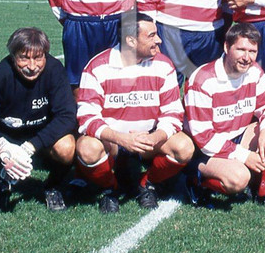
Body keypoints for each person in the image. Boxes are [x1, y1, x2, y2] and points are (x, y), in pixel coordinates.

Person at [74, 13, 193, 213]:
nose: (159, 40)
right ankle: (109, 188)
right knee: (87, 148)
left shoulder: (164, 65)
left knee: (184, 147)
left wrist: (156, 137)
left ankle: (146, 184)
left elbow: (173, 113)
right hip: (112, 141)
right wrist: (120, 139)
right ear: (130, 40)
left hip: (148, 140)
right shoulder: (98, 67)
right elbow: (87, 117)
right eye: (151, 36)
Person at [182, 22, 265, 210]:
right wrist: (245, 156)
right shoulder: (202, 80)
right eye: (241, 50)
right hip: (203, 149)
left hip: (236, 136)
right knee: (239, 178)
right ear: (227, 47)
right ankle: (195, 180)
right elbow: (204, 138)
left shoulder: (253, 72)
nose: (247, 58)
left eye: (252, 51)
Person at [0, 28, 77, 212]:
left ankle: (52, 187)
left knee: (67, 147)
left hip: (42, 139)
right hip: (7, 139)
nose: (32, 66)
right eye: (24, 58)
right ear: (13, 55)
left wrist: (30, 147)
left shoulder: (55, 70)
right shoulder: (0, 75)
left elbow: (67, 116)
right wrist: (2, 146)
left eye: (38, 57)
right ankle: (0, 185)